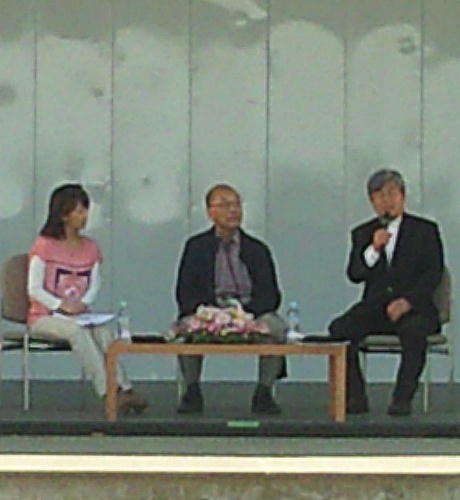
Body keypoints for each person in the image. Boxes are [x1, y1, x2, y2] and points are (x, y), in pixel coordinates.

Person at [329, 169, 444, 416]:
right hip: (376, 308)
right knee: (339, 330)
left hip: (415, 308)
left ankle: (402, 399)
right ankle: (356, 397)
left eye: (392, 194)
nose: (386, 201)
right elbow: (355, 273)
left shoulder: (425, 230)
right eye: (379, 196)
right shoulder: (363, 233)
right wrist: (373, 249)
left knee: (414, 333)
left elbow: (433, 273)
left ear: (403, 196)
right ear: (372, 202)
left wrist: (408, 301)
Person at [27, 183, 147, 415]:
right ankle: (108, 393)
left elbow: (94, 282)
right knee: (77, 333)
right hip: (45, 316)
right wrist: (61, 305)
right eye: (79, 211)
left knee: (103, 331)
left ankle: (126, 388)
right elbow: (34, 288)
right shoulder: (44, 246)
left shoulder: (91, 247)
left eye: (85, 211)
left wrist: (83, 304)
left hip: (80, 314)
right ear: (64, 215)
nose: (84, 217)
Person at [175, 183, 286, 414]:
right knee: (185, 327)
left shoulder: (257, 249)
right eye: (225, 205)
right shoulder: (196, 247)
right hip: (209, 312)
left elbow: (271, 295)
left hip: (249, 312)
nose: (233, 210)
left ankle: (264, 392)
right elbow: (185, 293)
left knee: (275, 327)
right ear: (210, 212)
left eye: (236, 204)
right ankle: (191, 391)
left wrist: (245, 314)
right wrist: (210, 314)